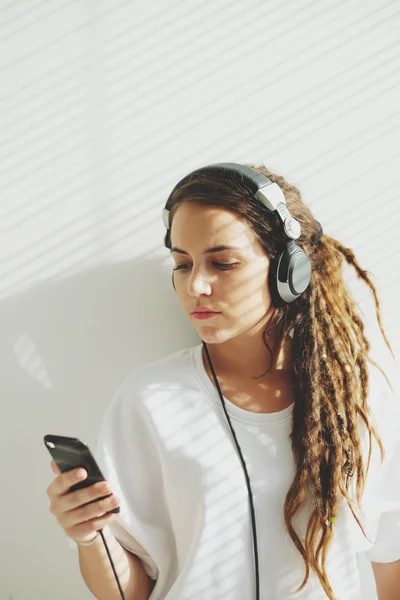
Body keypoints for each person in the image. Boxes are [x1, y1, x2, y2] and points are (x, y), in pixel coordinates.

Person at [46, 164, 400, 600]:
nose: (196, 284)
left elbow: (392, 557)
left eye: (223, 263)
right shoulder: (150, 401)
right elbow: (130, 594)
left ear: (290, 270)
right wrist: (89, 535)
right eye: (181, 264)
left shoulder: (359, 401)